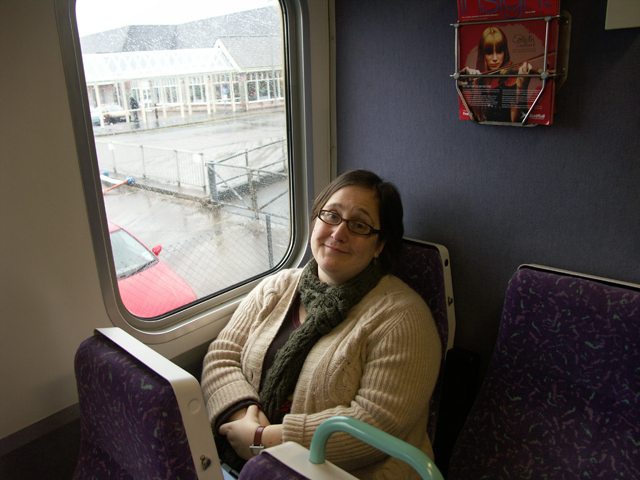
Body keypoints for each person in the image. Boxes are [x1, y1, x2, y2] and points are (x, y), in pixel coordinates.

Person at [201, 170, 442, 479]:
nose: (338, 233)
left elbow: (375, 425)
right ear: (315, 220)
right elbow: (222, 356)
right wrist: (244, 418)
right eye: (331, 215)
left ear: (380, 245)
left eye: (359, 225)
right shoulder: (278, 287)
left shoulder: (403, 318)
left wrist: (264, 441)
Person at [460, 26, 533, 123]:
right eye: (489, 52)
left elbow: (517, 120)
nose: (495, 58)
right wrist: (462, 76)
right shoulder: (478, 80)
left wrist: (521, 88)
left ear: (505, 52)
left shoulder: (511, 81)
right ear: (483, 54)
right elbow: (476, 117)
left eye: (499, 51)